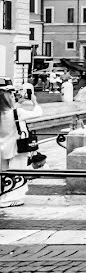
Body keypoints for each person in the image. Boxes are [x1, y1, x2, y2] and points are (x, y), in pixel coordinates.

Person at [0, 80, 42, 208]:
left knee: (4, 173)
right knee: (17, 172)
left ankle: (4, 195)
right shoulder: (17, 113)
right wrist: (34, 101)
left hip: (2, 148)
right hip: (18, 147)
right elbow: (38, 113)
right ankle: (12, 199)